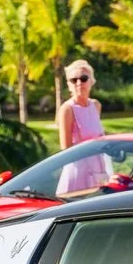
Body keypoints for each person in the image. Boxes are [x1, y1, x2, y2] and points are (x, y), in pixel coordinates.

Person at [55, 60, 109, 192]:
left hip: (98, 166)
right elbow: (65, 149)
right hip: (78, 169)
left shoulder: (96, 105)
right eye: (74, 80)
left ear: (91, 81)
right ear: (69, 85)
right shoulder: (67, 109)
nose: (79, 83)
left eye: (83, 79)